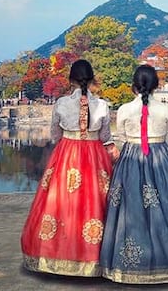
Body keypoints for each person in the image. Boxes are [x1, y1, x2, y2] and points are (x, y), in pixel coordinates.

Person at [100, 64, 168, 284]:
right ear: (156, 85)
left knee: (129, 211)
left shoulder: (123, 110)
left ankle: (131, 265)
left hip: (130, 160)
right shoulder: (165, 109)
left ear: (134, 85)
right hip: (162, 160)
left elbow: (120, 139)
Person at [21, 59, 112, 277]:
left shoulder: (61, 103)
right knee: (96, 202)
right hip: (94, 155)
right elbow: (105, 136)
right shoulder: (102, 104)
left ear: (70, 79)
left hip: (67, 155)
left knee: (59, 201)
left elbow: (54, 135)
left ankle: (55, 255)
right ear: (92, 80)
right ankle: (95, 258)